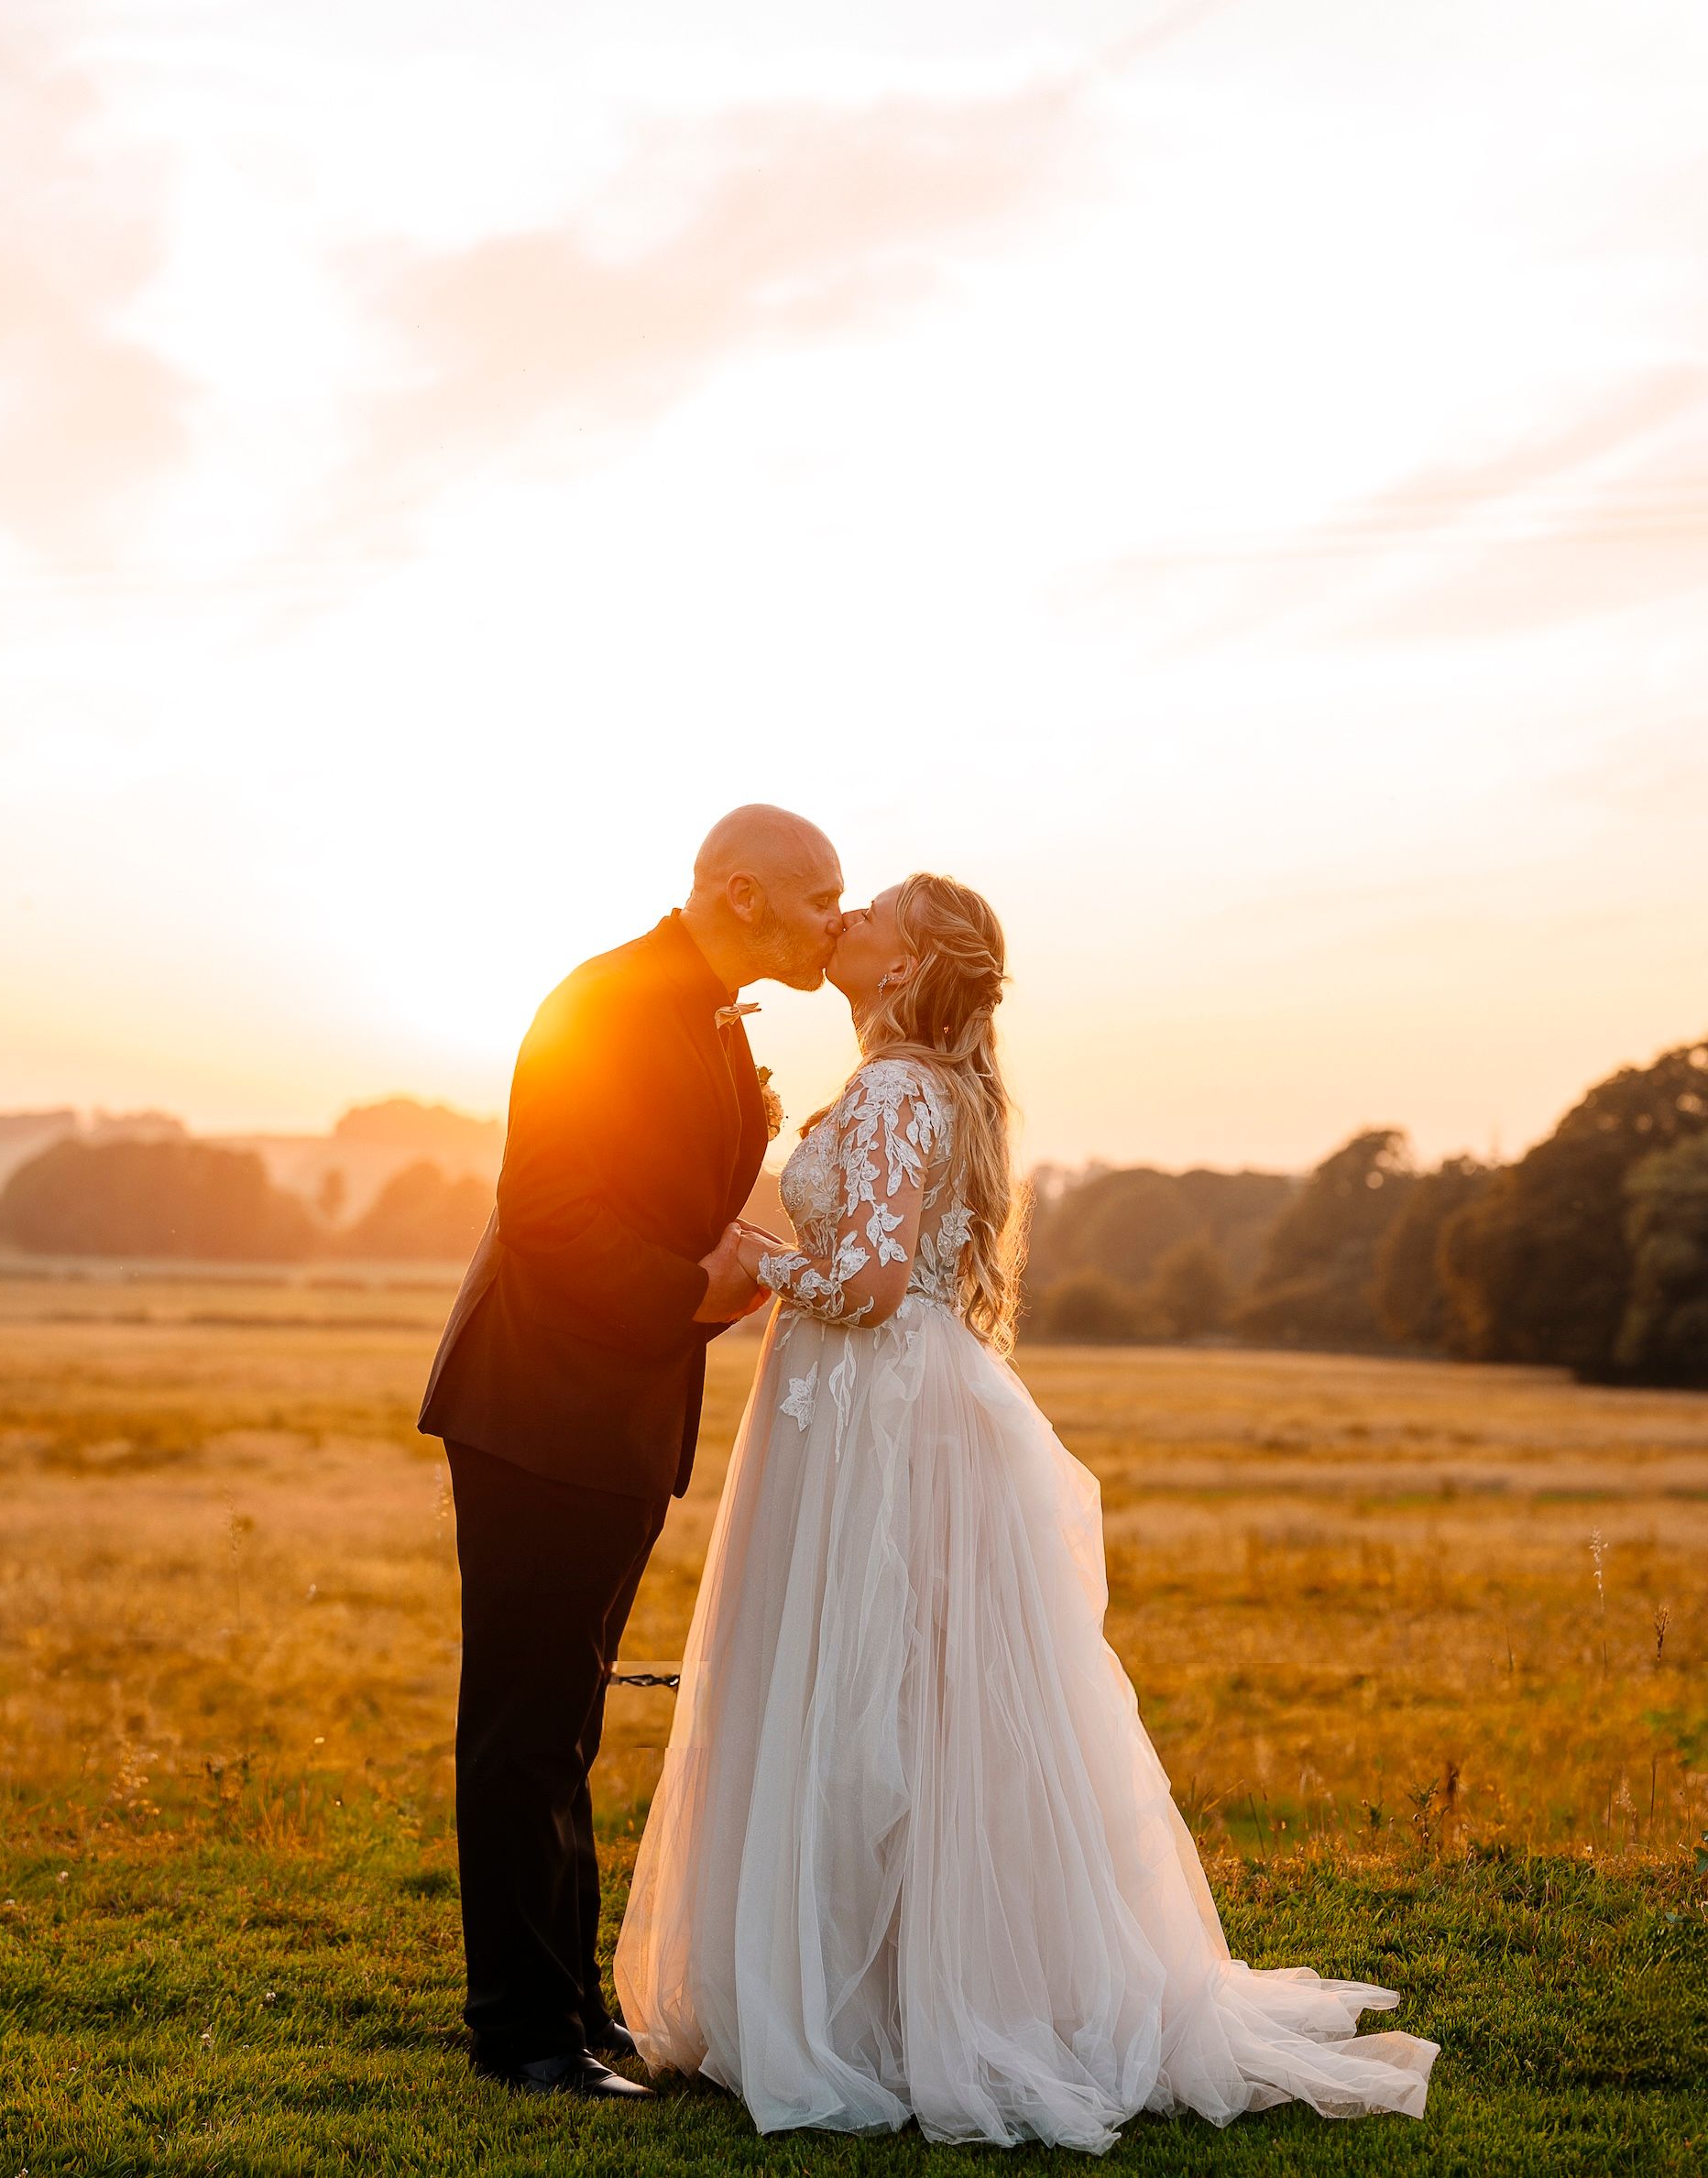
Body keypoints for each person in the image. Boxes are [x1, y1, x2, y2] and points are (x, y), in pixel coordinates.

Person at [616, 873, 1438, 2151]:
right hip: (892, 1410)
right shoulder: (935, 1087)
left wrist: (751, 1261)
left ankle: (883, 2001)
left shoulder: (897, 1090)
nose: (843, 920)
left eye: (870, 911)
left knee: (876, 1684)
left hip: (876, 1417)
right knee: (924, 1696)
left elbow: (875, 1281)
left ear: (910, 964)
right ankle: (914, 1979)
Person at [418, 805, 845, 2101]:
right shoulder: (600, 1005)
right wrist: (696, 1291)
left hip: (612, 1414)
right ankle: (520, 2035)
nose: (839, 917)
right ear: (740, 894)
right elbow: (545, 1214)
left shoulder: (706, 1015)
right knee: (523, 1726)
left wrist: (733, 1268)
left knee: (569, 1718)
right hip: (538, 1410)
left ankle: (571, 2009)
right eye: (819, 895)